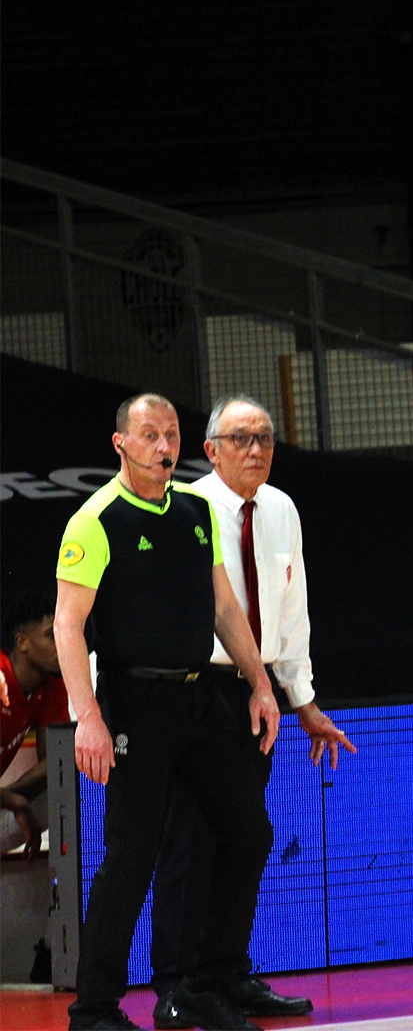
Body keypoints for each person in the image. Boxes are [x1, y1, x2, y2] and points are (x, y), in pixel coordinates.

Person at [56, 392, 278, 1031]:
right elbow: (69, 627)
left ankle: (207, 984)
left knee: (249, 832)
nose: (162, 447)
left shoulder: (195, 510)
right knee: (132, 858)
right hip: (133, 706)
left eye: (171, 434)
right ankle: (93, 1011)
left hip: (201, 699)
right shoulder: (96, 521)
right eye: (148, 435)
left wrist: (260, 682)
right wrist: (89, 717)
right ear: (121, 443)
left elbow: (225, 609)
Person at [148, 396, 356, 1030]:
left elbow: (292, 615)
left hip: (256, 693)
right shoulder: (185, 507)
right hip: (196, 690)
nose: (256, 449)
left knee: (246, 838)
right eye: (240, 438)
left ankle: (227, 974)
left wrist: (305, 702)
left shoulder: (282, 509)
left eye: (264, 437)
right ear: (210, 450)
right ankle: (178, 986)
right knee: (193, 841)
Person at [0, 590, 70, 860]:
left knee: (70, 767)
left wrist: (8, 797)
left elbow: (55, 760)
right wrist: (11, 800)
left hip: (6, 800)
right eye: (52, 636)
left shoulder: (52, 686)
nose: (62, 643)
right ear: (23, 642)